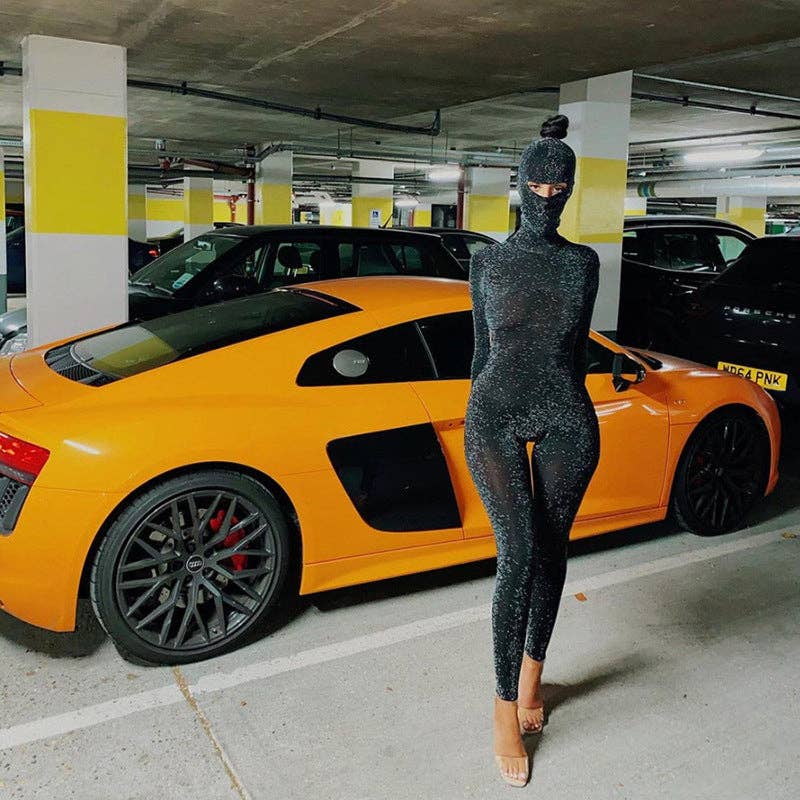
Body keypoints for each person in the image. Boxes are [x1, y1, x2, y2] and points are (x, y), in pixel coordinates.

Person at [463, 113, 601, 788]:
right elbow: (479, 353)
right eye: (539, 185)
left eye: (560, 187)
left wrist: (574, 407)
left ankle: (531, 680)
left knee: (550, 551)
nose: (549, 196)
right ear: (520, 185)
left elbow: (576, 352)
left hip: (565, 412)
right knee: (516, 555)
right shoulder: (487, 262)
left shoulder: (583, 263)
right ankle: (501, 713)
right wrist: (471, 415)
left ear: (571, 188)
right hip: (494, 411)